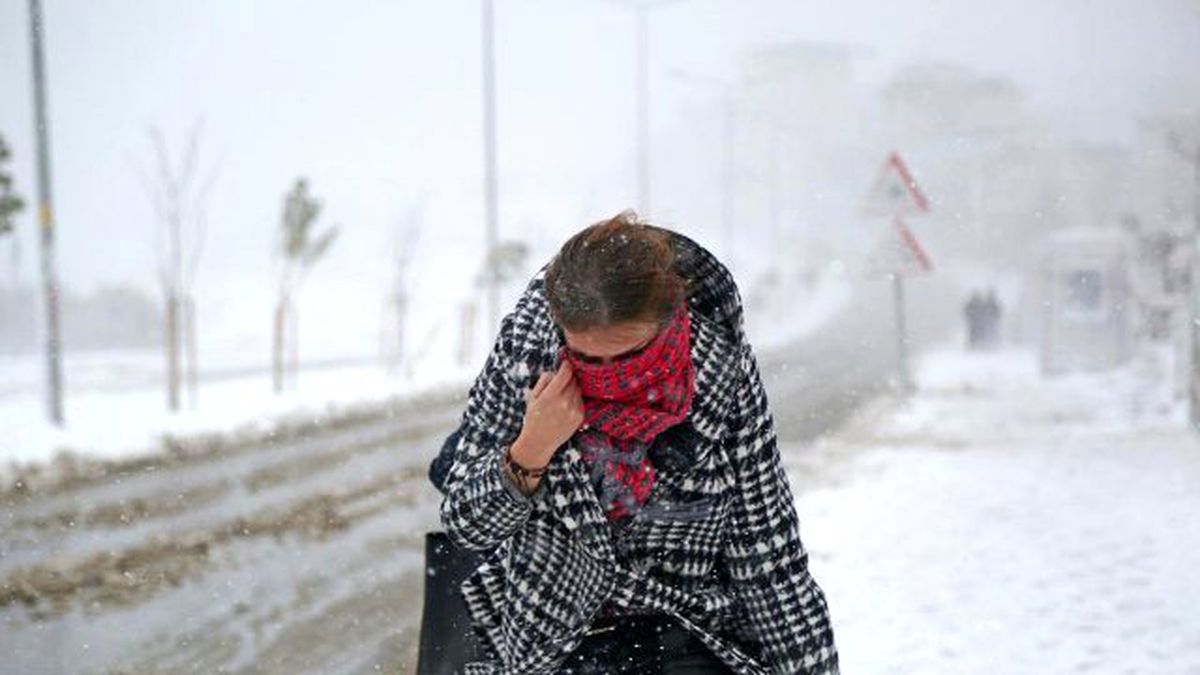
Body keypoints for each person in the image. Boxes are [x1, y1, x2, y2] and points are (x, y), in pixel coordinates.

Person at [434, 211, 838, 674]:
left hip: (686, 632)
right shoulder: (527, 358)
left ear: (670, 322)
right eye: (586, 356)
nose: (607, 374)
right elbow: (467, 527)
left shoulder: (720, 376)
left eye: (629, 356)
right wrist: (530, 450)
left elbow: (768, 553)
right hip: (550, 644)